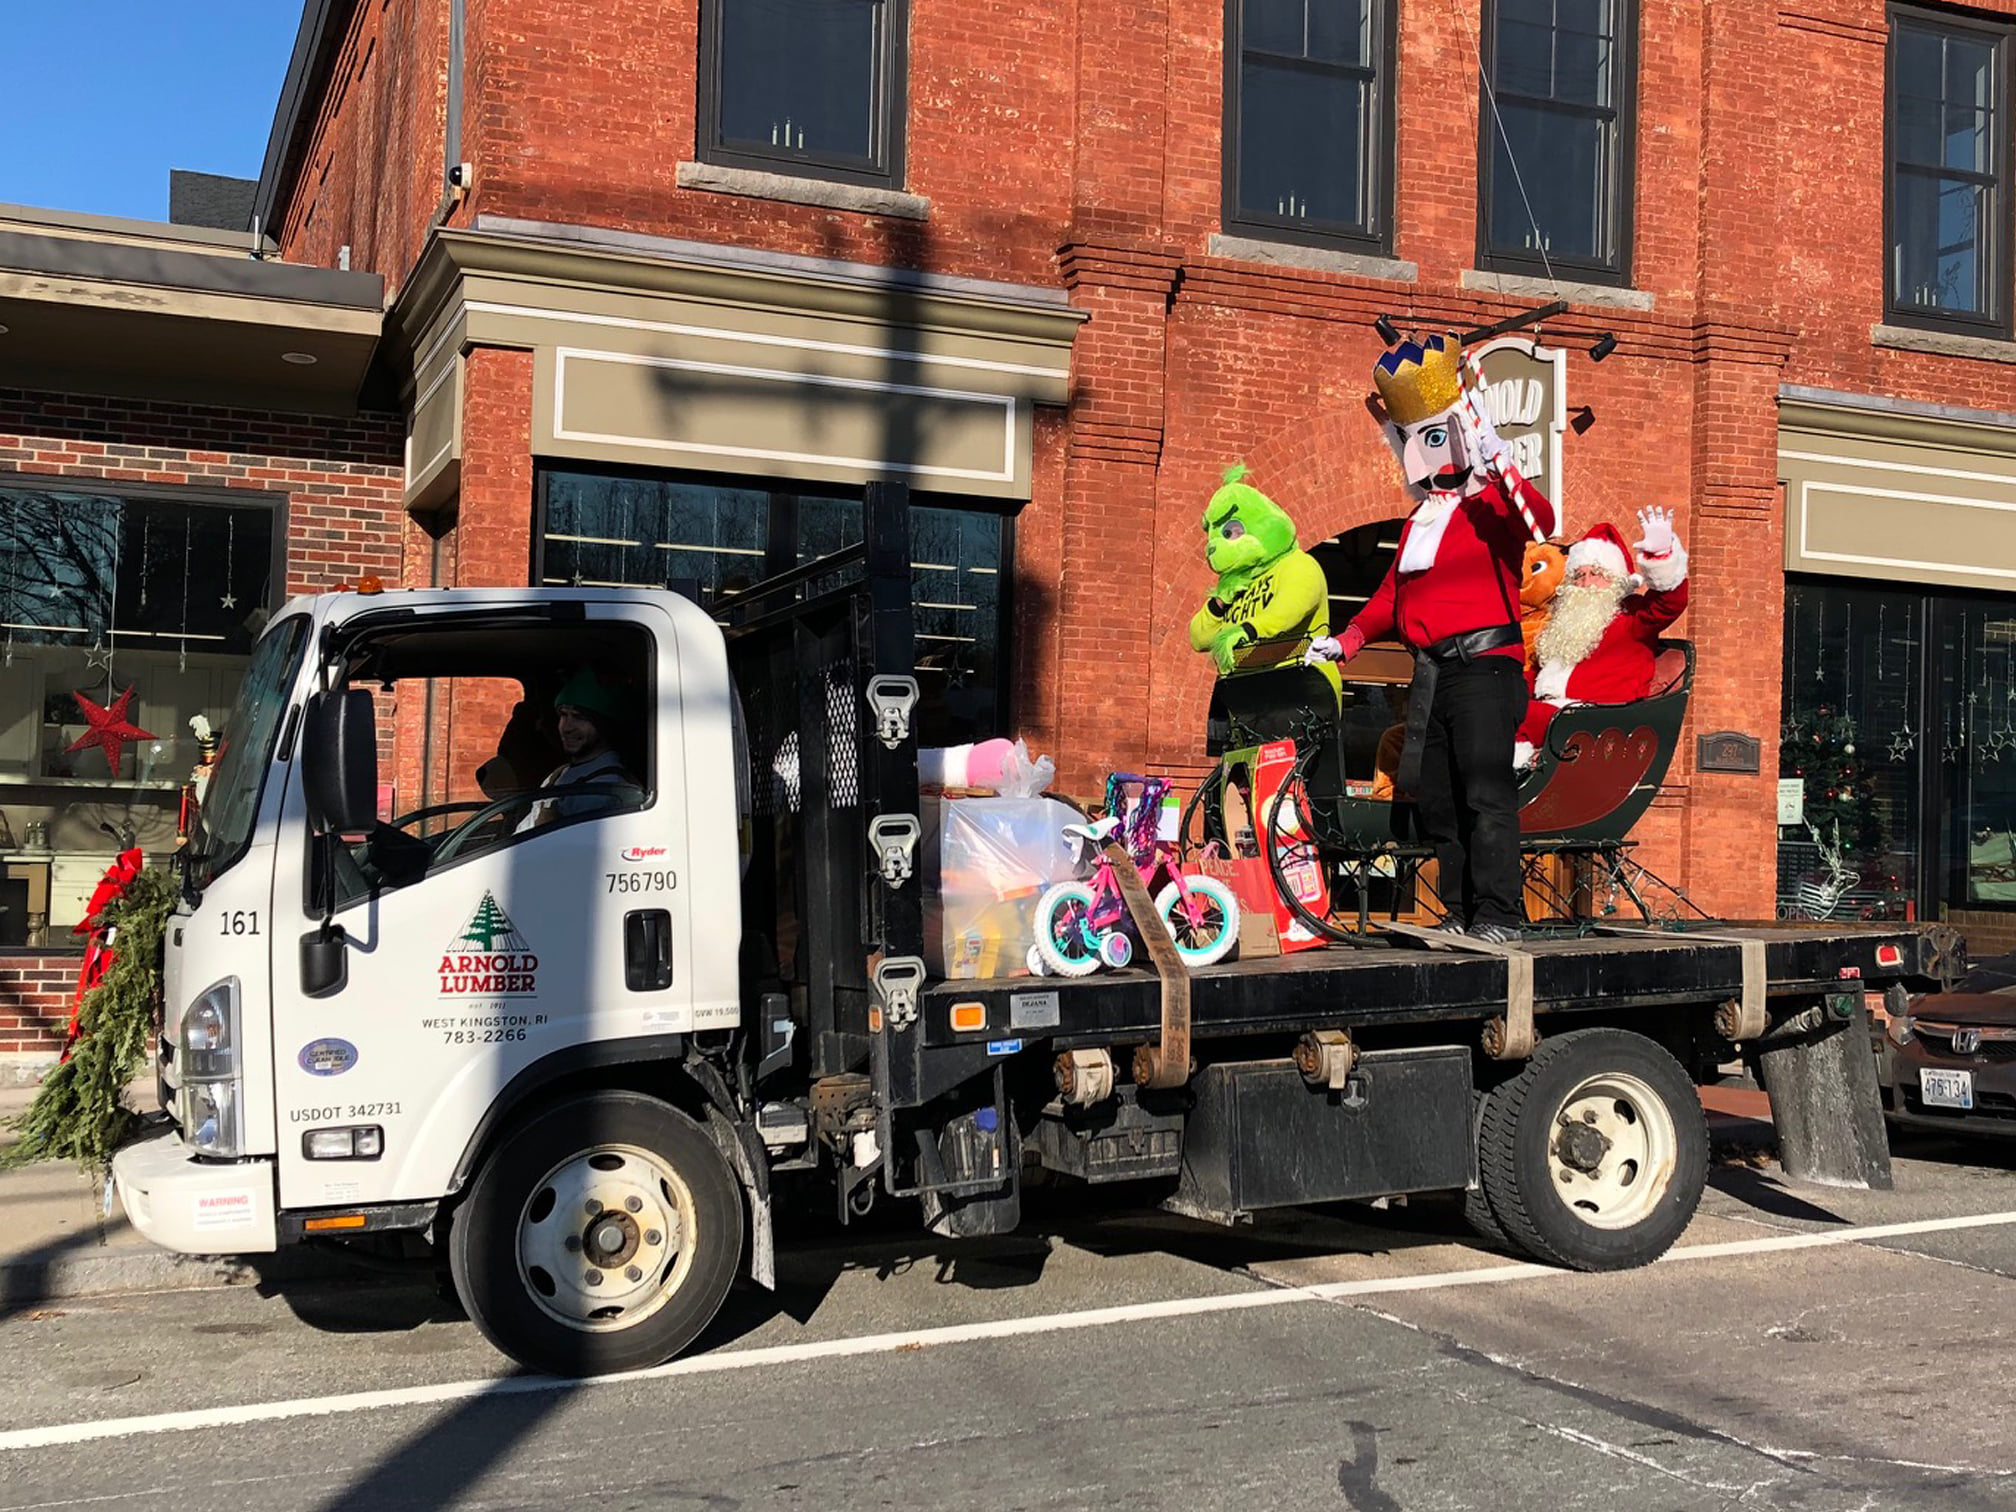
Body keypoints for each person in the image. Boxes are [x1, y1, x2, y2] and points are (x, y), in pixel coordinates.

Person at [1306, 332, 1556, 941]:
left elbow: (1542, 520)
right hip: (1434, 673)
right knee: (1440, 799)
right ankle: (1460, 910)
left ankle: (1499, 913)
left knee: (1484, 792)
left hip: (1485, 668)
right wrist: (1349, 639)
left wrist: (1502, 462)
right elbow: (1390, 597)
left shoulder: (1490, 504)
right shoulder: (1421, 518)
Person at [1515, 512, 1689, 765]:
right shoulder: (1561, 625)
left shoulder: (1631, 617)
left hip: (1596, 719)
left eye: (1596, 573)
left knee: (1508, 714)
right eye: (1579, 575)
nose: (1586, 583)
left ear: (1616, 580)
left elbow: (1669, 604)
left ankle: (1509, 767)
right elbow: (1534, 677)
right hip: (1552, 714)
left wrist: (1662, 557)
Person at [515, 667, 642, 832]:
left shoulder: (607, 788)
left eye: (579, 717)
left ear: (604, 725)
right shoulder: (559, 774)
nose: (567, 727)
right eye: (563, 715)